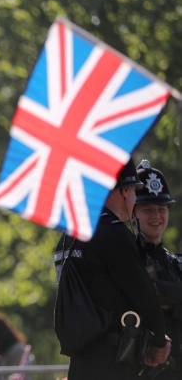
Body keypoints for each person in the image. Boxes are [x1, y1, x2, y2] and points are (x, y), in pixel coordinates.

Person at [54, 158, 170, 380]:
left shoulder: (68, 237)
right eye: (135, 191)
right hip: (112, 361)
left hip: (80, 364)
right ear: (125, 190)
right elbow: (145, 296)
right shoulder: (113, 233)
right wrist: (158, 342)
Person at [132, 160, 182, 379]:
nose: (156, 216)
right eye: (147, 209)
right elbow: (142, 295)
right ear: (132, 213)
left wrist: (165, 298)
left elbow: (152, 292)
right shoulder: (126, 259)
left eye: (162, 209)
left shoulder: (176, 263)